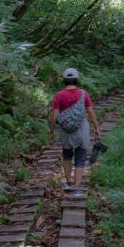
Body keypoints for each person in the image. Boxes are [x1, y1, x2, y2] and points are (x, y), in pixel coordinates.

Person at [49, 67, 101, 197]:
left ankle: (68, 183)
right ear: (76, 79)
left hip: (66, 131)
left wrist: (51, 130)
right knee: (80, 158)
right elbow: (91, 113)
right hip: (81, 130)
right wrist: (96, 127)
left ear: (64, 80)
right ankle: (77, 188)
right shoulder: (83, 93)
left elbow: (54, 116)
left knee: (67, 155)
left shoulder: (59, 95)